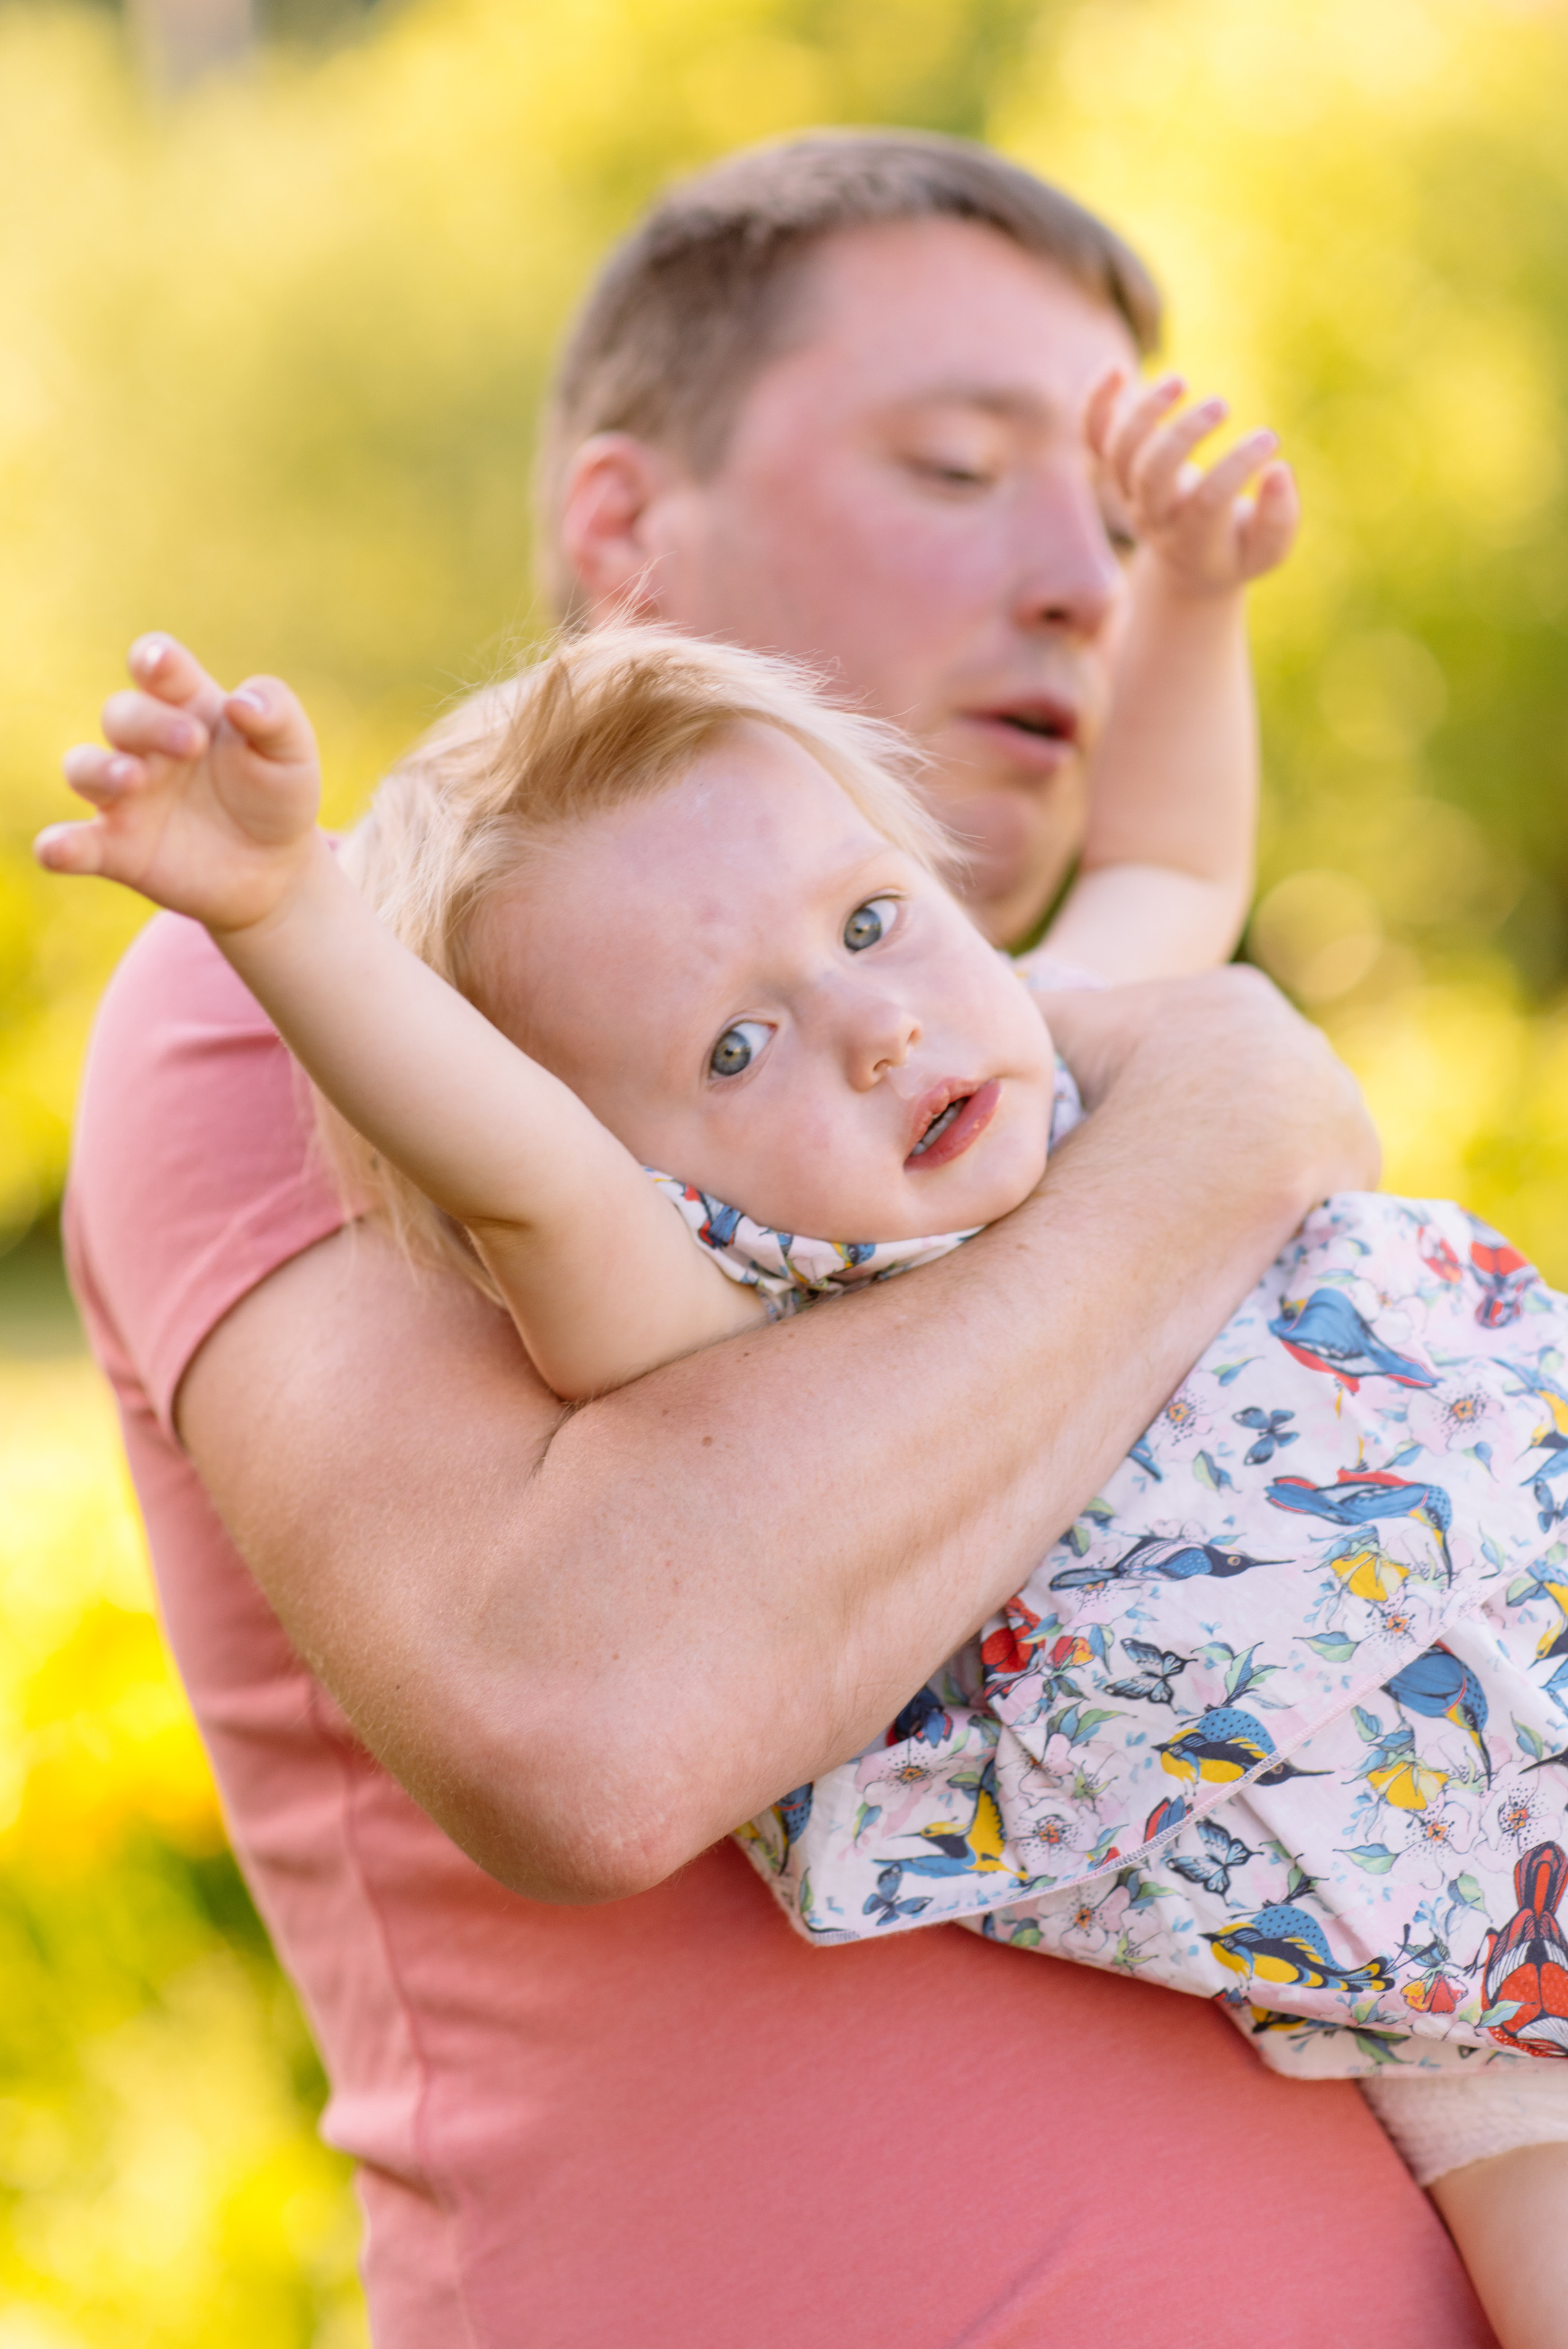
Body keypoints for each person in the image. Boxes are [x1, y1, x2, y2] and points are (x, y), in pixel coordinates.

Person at [57, 132, 1498, 2346]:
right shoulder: (364, 1010)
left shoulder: (1042, 1062)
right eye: (957, 464)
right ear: (628, 529)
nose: (1084, 581)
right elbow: (592, 1710)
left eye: (1121, 519)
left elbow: (1177, 854)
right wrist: (1224, 1124)